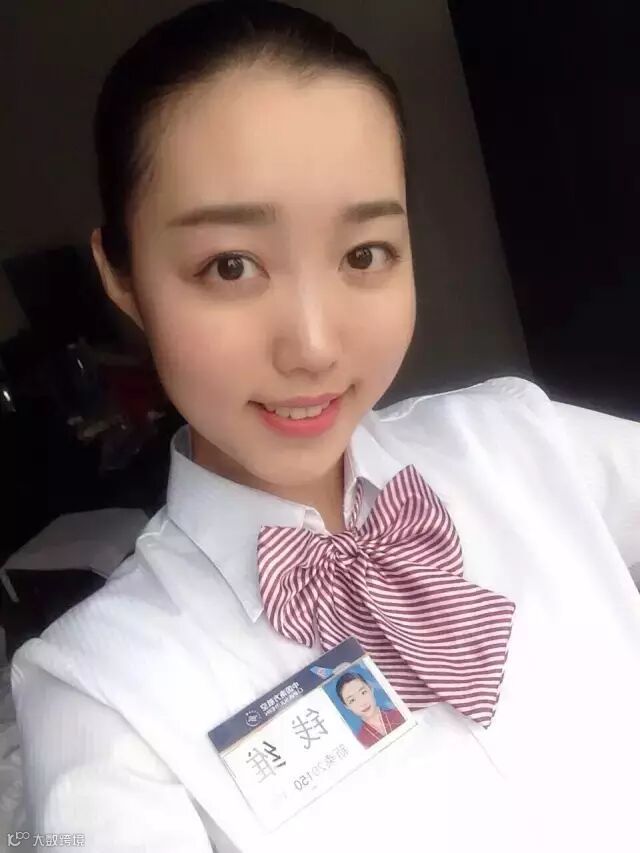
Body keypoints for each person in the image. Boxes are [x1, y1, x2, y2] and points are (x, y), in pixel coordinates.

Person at [9, 2, 640, 851]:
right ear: (121, 274)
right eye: (230, 265)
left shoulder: (516, 441)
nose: (312, 346)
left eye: (364, 254)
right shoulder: (103, 691)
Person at [335, 671, 404, 748]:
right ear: (346, 706)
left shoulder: (399, 714)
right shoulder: (360, 742)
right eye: (352, 700)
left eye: (363, 692)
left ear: (371, 689)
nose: (362, 702)